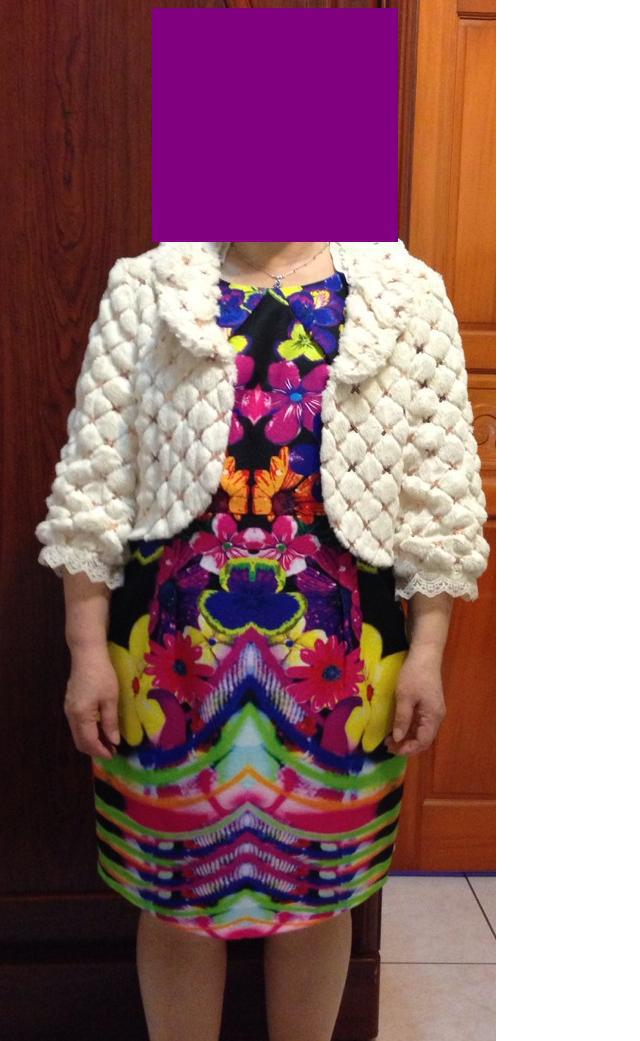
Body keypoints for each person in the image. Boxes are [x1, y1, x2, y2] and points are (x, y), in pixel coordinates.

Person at [35, 240, 490, 1041]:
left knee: (320, 894)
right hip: (167, 655)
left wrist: (428, 652)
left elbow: (439, 494)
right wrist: (86, 650)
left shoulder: (408, 294)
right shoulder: (147, 287)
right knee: (173, 898)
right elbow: (92, 486)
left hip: (343, 659)